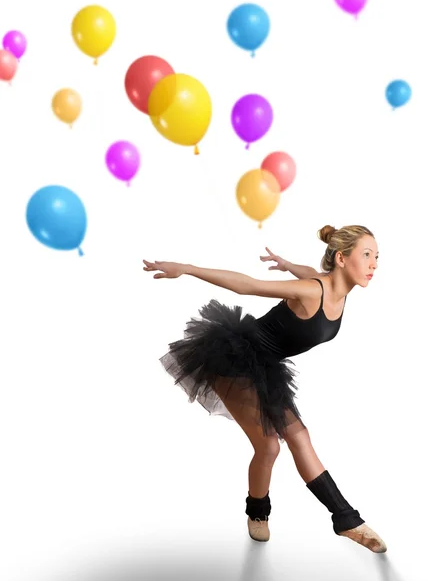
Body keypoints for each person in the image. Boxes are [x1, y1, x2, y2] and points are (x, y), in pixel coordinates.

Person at [143, 224, 387, 553]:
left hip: (266, 367)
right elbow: (250, 286)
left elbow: (308, 271)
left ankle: (346, 520)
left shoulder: (335, 289)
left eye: (377, 257)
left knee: (299, 437)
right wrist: (187, 270)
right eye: (367, 255)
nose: (374, 264)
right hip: (234, 360)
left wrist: (287, 264)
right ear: (342, 259)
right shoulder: (312, 290)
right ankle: (258, 514)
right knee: (270, 447)